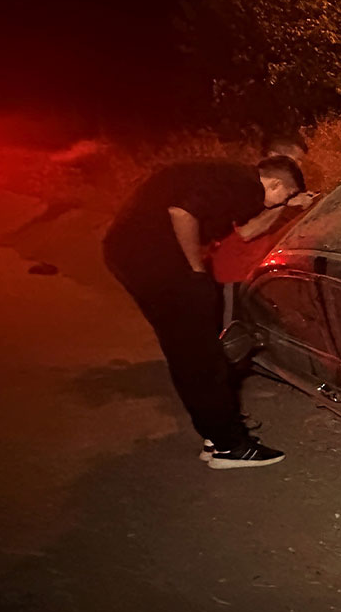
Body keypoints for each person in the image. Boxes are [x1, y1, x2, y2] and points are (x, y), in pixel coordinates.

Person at [103, 156, 308, 469]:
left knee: (187, 351)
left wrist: (286, 206)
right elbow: (181, 211)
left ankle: (215, 434)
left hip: (131, 255)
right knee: (201, 355)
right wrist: (196, 270)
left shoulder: (227, 177)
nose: (284, 201)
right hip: (156, 261)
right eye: (287, 194)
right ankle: (230, 446)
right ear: (276, 183)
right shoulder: (244, 184)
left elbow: (248, 230)